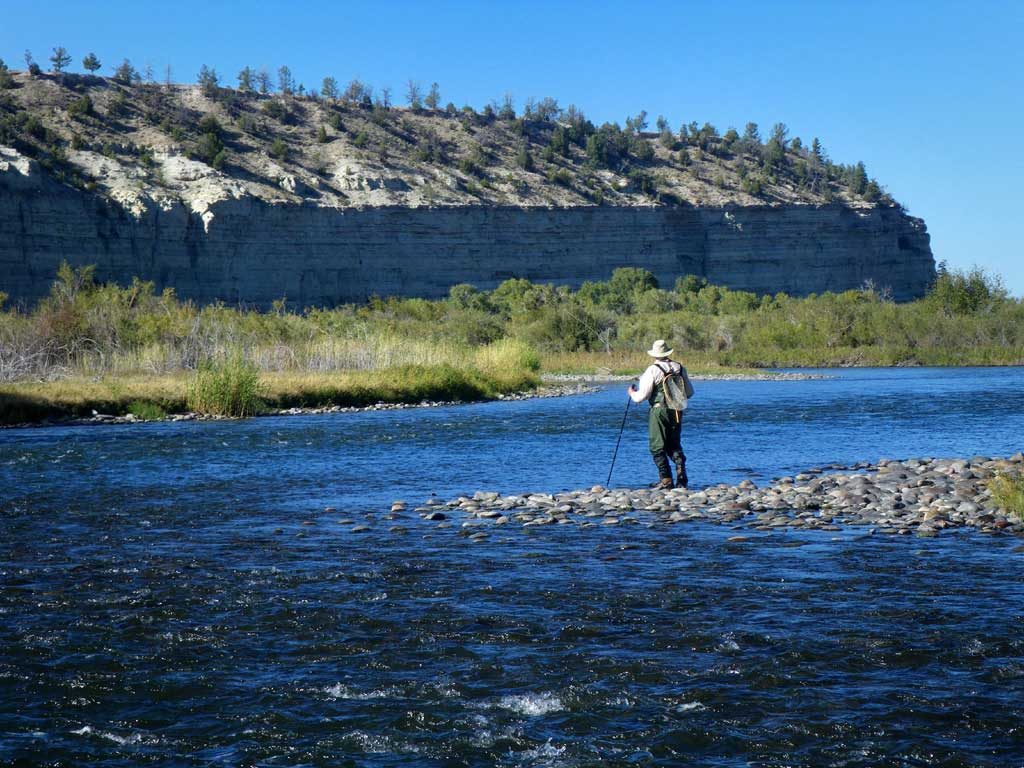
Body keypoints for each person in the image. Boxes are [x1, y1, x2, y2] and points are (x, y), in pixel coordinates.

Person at [627, 339, 694, 489]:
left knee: (657, 446)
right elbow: (689, 393)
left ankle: (666, 480)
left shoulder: (652, 370)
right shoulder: (680, 367)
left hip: (659, 411)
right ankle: (682, 478)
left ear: (655, 354)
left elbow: (640, 397)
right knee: (674, 444)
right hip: (677, 410)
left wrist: (632, 392)